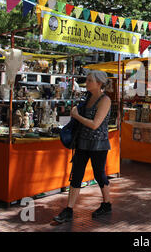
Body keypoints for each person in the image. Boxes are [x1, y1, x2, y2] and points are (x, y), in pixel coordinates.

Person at [54, 70, 113, 223]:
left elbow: (95, 124)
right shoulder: (87, 98)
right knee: (76, 174)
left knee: (99, 174)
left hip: (98, 144)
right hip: (82, 142)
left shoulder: (105, 100)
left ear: (99, 83)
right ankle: (69, 209)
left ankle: (107, 203)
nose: (86, 83)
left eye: (89, 81)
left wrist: (76, 116)